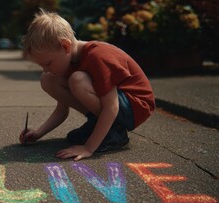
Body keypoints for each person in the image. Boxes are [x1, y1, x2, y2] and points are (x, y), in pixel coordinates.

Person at [19, 9, 155, 161]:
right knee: (48, 79)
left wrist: (89, 147)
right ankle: (99, 125)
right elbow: (62, 110)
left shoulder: (98, 56)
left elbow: (112, 107)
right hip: (118, 105)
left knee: (77, 79)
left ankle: (114, 134)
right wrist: (38, 133)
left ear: (65, 47)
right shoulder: (68, 60)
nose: (45, 68)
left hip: (135, 106)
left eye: (48, 63)